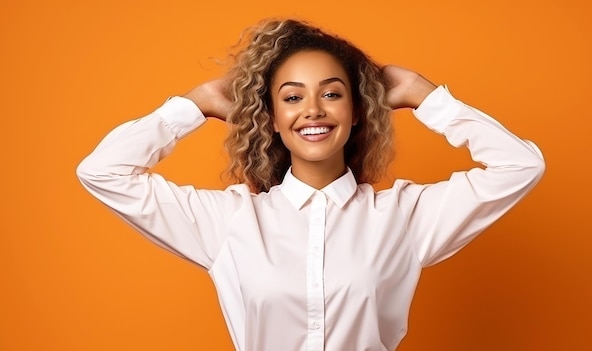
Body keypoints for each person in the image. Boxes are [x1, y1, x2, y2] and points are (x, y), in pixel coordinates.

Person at [77, 18, 545, 351]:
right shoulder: (230, 223)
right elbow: (102, 171)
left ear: (357, 110)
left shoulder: (404, 219)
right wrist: (192, 106)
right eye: (293, 97)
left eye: (332, 93)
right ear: (273, 119)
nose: (314, 109)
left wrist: (427, 98)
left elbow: (519, 166)